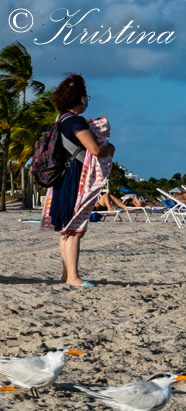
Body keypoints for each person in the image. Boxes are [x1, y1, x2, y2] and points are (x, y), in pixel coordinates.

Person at [44, 73, 115, 287]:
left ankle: (66, 274)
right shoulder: (76, 121)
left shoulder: (60, 120)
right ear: (80, 98)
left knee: (66, 228)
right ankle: (73, 277)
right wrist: (110, 149)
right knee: (75, 229)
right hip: (74, 179)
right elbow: (95, 149)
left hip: (61, 179)